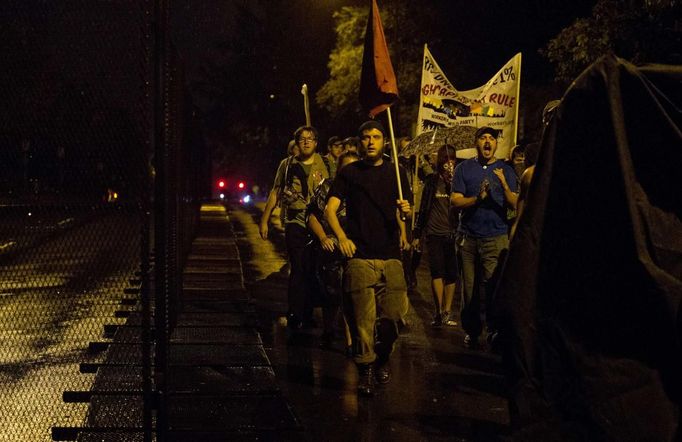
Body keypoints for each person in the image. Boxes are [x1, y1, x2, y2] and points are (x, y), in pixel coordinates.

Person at [325, 120, 412, 397]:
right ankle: (366, 370)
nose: (371, 142)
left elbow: (404, 212)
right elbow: (330, 208)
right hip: (359, 256)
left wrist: (406, 218)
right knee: (361, 320)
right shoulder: (350, 173)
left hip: (390, 257)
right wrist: (341, 237)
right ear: (359, 142)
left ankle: (383, 355)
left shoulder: (396, 172)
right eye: (366, 137)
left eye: (376, 137)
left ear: (385, 141)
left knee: (395, 316)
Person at [450, 126, 518, 349]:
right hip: (468, 238)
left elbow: (515, 203)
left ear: (497, 144)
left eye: (492, 138)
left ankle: (494, 329)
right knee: (469, 289)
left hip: (496, 238)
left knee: (493, 287)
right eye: (483, 138)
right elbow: (455, 201)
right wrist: (477, 199)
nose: (488, 141)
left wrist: (504, 183)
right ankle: (471, 330)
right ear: (476, 143)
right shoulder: (463, 168)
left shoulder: (506, 169)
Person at [260, 126, 330, 333]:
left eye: (311, 138)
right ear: (297, 143)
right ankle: (295, 313)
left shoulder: (327, 164)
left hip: (319, 223)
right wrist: (265, 219)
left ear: (316, 142)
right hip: (296, 222)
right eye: (302, 139)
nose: (306, 142)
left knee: (314, 269)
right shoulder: (287, 165)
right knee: (298, 268)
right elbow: (276, 191)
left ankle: (309, 311)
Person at [306, 151, 360, 352]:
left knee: (353, 294)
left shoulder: (364, 187)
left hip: (356, 248)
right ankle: (328, 330)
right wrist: (323, 237)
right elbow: (313, 214)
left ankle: (351, 341)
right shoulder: (327, 187)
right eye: (346, 167)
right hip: (332, 249)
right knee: (332, 294)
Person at [413, 144, 459, 328]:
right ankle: (439, 311)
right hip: (434, 233)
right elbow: (424, 208)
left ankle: (448, 311)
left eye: (452, 158)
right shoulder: (432, 181)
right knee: (437, 272)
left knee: (452, 274)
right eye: (446, 159)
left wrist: (452, 183)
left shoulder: (458, 179)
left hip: (453, 232)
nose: (449, 162)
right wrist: (417, 233)